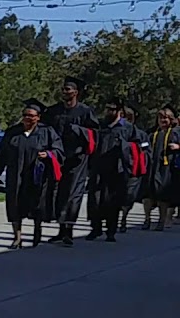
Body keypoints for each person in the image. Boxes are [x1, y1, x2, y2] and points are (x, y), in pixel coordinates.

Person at [0, 98, 64, 249]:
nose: (27, 118)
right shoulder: (13, 132)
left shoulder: (47, 132)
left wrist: (48, 154)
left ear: (38, 117)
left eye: (31, 116)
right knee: (14, 204)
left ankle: (37, 232)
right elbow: (2, 154)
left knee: (37, 204)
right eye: (25, 115)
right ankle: (17, 238)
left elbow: (58, 150)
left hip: (36, 175)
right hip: (15, 174)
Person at [42, 76, 100, 246]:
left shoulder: (85, 112)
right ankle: (61, 230)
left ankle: (69, 231)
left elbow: (95, 134)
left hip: (77, 159)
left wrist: (79, 130)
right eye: (64, 89)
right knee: (57, 193)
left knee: (73, 194)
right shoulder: (54, 111)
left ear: (76, 92)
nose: (65, 92)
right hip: (58, 158)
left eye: (68, 89)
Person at [85, 99, 136, 242]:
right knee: (95, 200)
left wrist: (124, 146)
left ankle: (111, 231)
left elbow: (137, 146)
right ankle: (95, 228)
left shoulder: (127, 128)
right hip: (98, 168)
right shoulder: (101, 125)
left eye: (112, 110)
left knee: (113, 201)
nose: (109, 112)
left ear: (119, 111)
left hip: (116, 171)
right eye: (107, 109)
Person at [141, 105, 180, 230]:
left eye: (165, 118)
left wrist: (178, 147)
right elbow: (144, 144)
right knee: (147, 195)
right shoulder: (152, 133)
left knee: (163, 196)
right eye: (160, 118)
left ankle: (161, 221)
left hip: (167, 168)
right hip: (151, 167)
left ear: (171, 119)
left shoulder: (176, 132)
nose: (163, 120)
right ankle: (147, 219)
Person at [118, 105, 150, 232]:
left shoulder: (141, 134)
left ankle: (124, 217)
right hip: (118, 168)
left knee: (129, 195)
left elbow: (146, 149)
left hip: (133, 169)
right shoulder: (114, 131)